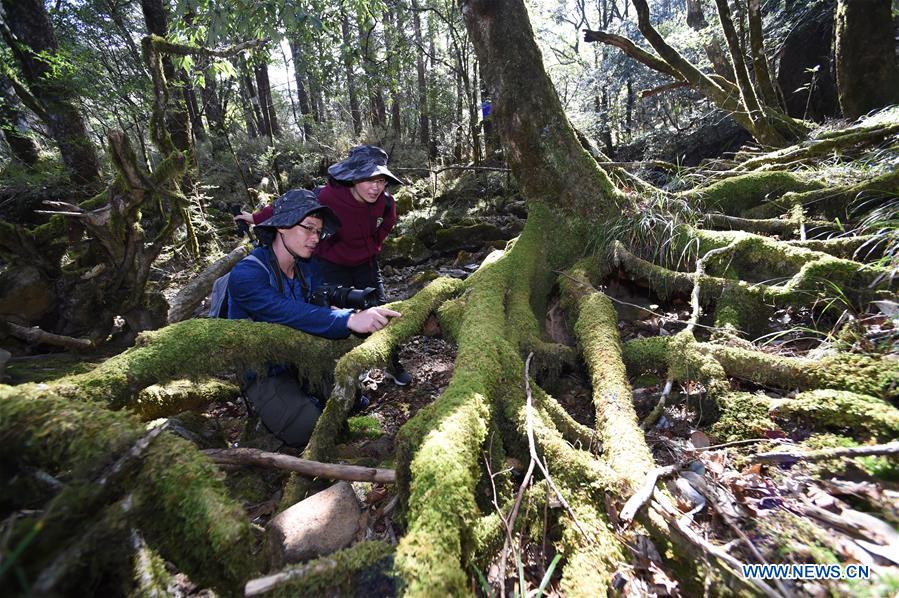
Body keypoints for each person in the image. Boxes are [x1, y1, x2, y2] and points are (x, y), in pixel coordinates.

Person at [228, 189, 400, 447]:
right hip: (264, 371)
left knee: (351, 399)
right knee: (308, 429)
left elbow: (321, 301)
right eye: (308, 228)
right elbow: (284, 311)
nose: (315, 238)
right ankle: (275, 415)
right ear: (282, 227)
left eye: (318, 232)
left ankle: (308, 397)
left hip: (301, 355)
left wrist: (347, 309)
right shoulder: (246, 275)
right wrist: (348, 320)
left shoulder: (306, 267)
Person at [236, 145, 412, 385]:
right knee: (329, 310)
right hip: (330, 264)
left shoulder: (385, 202)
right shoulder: (326, 196)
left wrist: (373, 245)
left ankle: (392, 363)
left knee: (378, 308)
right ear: (352, 177)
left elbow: (388, 223)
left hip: (366, 264)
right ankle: (345, 368)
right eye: (368, 178)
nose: (376, 187)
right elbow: (289, 210)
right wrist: (255, 218)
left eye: (381, 180)